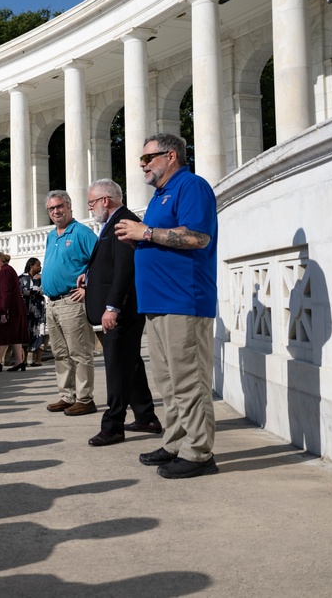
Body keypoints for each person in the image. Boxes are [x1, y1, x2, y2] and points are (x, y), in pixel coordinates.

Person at [115, 133, 219, 479]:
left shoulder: (192, 186)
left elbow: (197, 237)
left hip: (183, 301)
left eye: (148, 158)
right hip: (158, 304)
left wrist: (145, 234)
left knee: (189, 381)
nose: (142, 165)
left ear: (170, 156)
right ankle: (175, 442)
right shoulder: (161, 196)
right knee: (168, 382)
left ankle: (199, 452)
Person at [77, 180, 161, 448]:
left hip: (121, 310)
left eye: (91, 202)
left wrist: (112, 307)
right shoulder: (113, 222)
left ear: (105, 200)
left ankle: (113, 425)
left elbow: (125, 269)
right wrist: (88, 276)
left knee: (116, 367)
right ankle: (146, 417)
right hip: (119, 308)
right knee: (130, 364)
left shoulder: (123, 221)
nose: (90, 208)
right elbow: (111, 264)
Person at [41, 191, 98, 415]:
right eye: (52, 208)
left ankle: (85, 398)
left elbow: (101, 262)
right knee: (60, 353)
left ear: (70, 207)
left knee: (79, 352)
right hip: (53, 303)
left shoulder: (82, 232)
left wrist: (87, 288)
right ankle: (67, 395)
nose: (56, 211)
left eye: (60, 206)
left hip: (71, 301)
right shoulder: (51, 235)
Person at [0, 252, 28, 373]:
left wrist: (4, 311)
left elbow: (6, 292)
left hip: (8, 309)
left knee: (1, 335)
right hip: (15, 308)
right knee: (15, 336)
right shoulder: (8, 270)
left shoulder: (5, 272)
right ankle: (19, 361)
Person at [19, 257, 47, 366]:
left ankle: (38, 359)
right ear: (31, 266)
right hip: (26, 307)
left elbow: (45, 289)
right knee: (26, 332)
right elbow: (22, 291)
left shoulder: (41, 278)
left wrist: (43, 278)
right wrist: (35, 291)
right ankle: (24, 359)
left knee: (40, 331)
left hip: (39, 308)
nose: (40, 267)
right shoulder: (21, 278)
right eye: (38, 265)